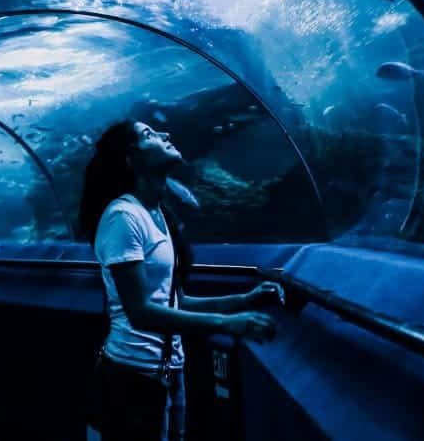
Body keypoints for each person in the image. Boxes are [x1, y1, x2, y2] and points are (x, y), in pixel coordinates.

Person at [80, 119, 282, 441]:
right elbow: (140, 312)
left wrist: (243, 300)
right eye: (149, 134)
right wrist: (226, 324)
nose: (165, 134)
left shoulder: (158, 214)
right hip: (132, 376)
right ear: (131, 158)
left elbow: (177, 301)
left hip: (169, 371)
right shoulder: (123, 217)